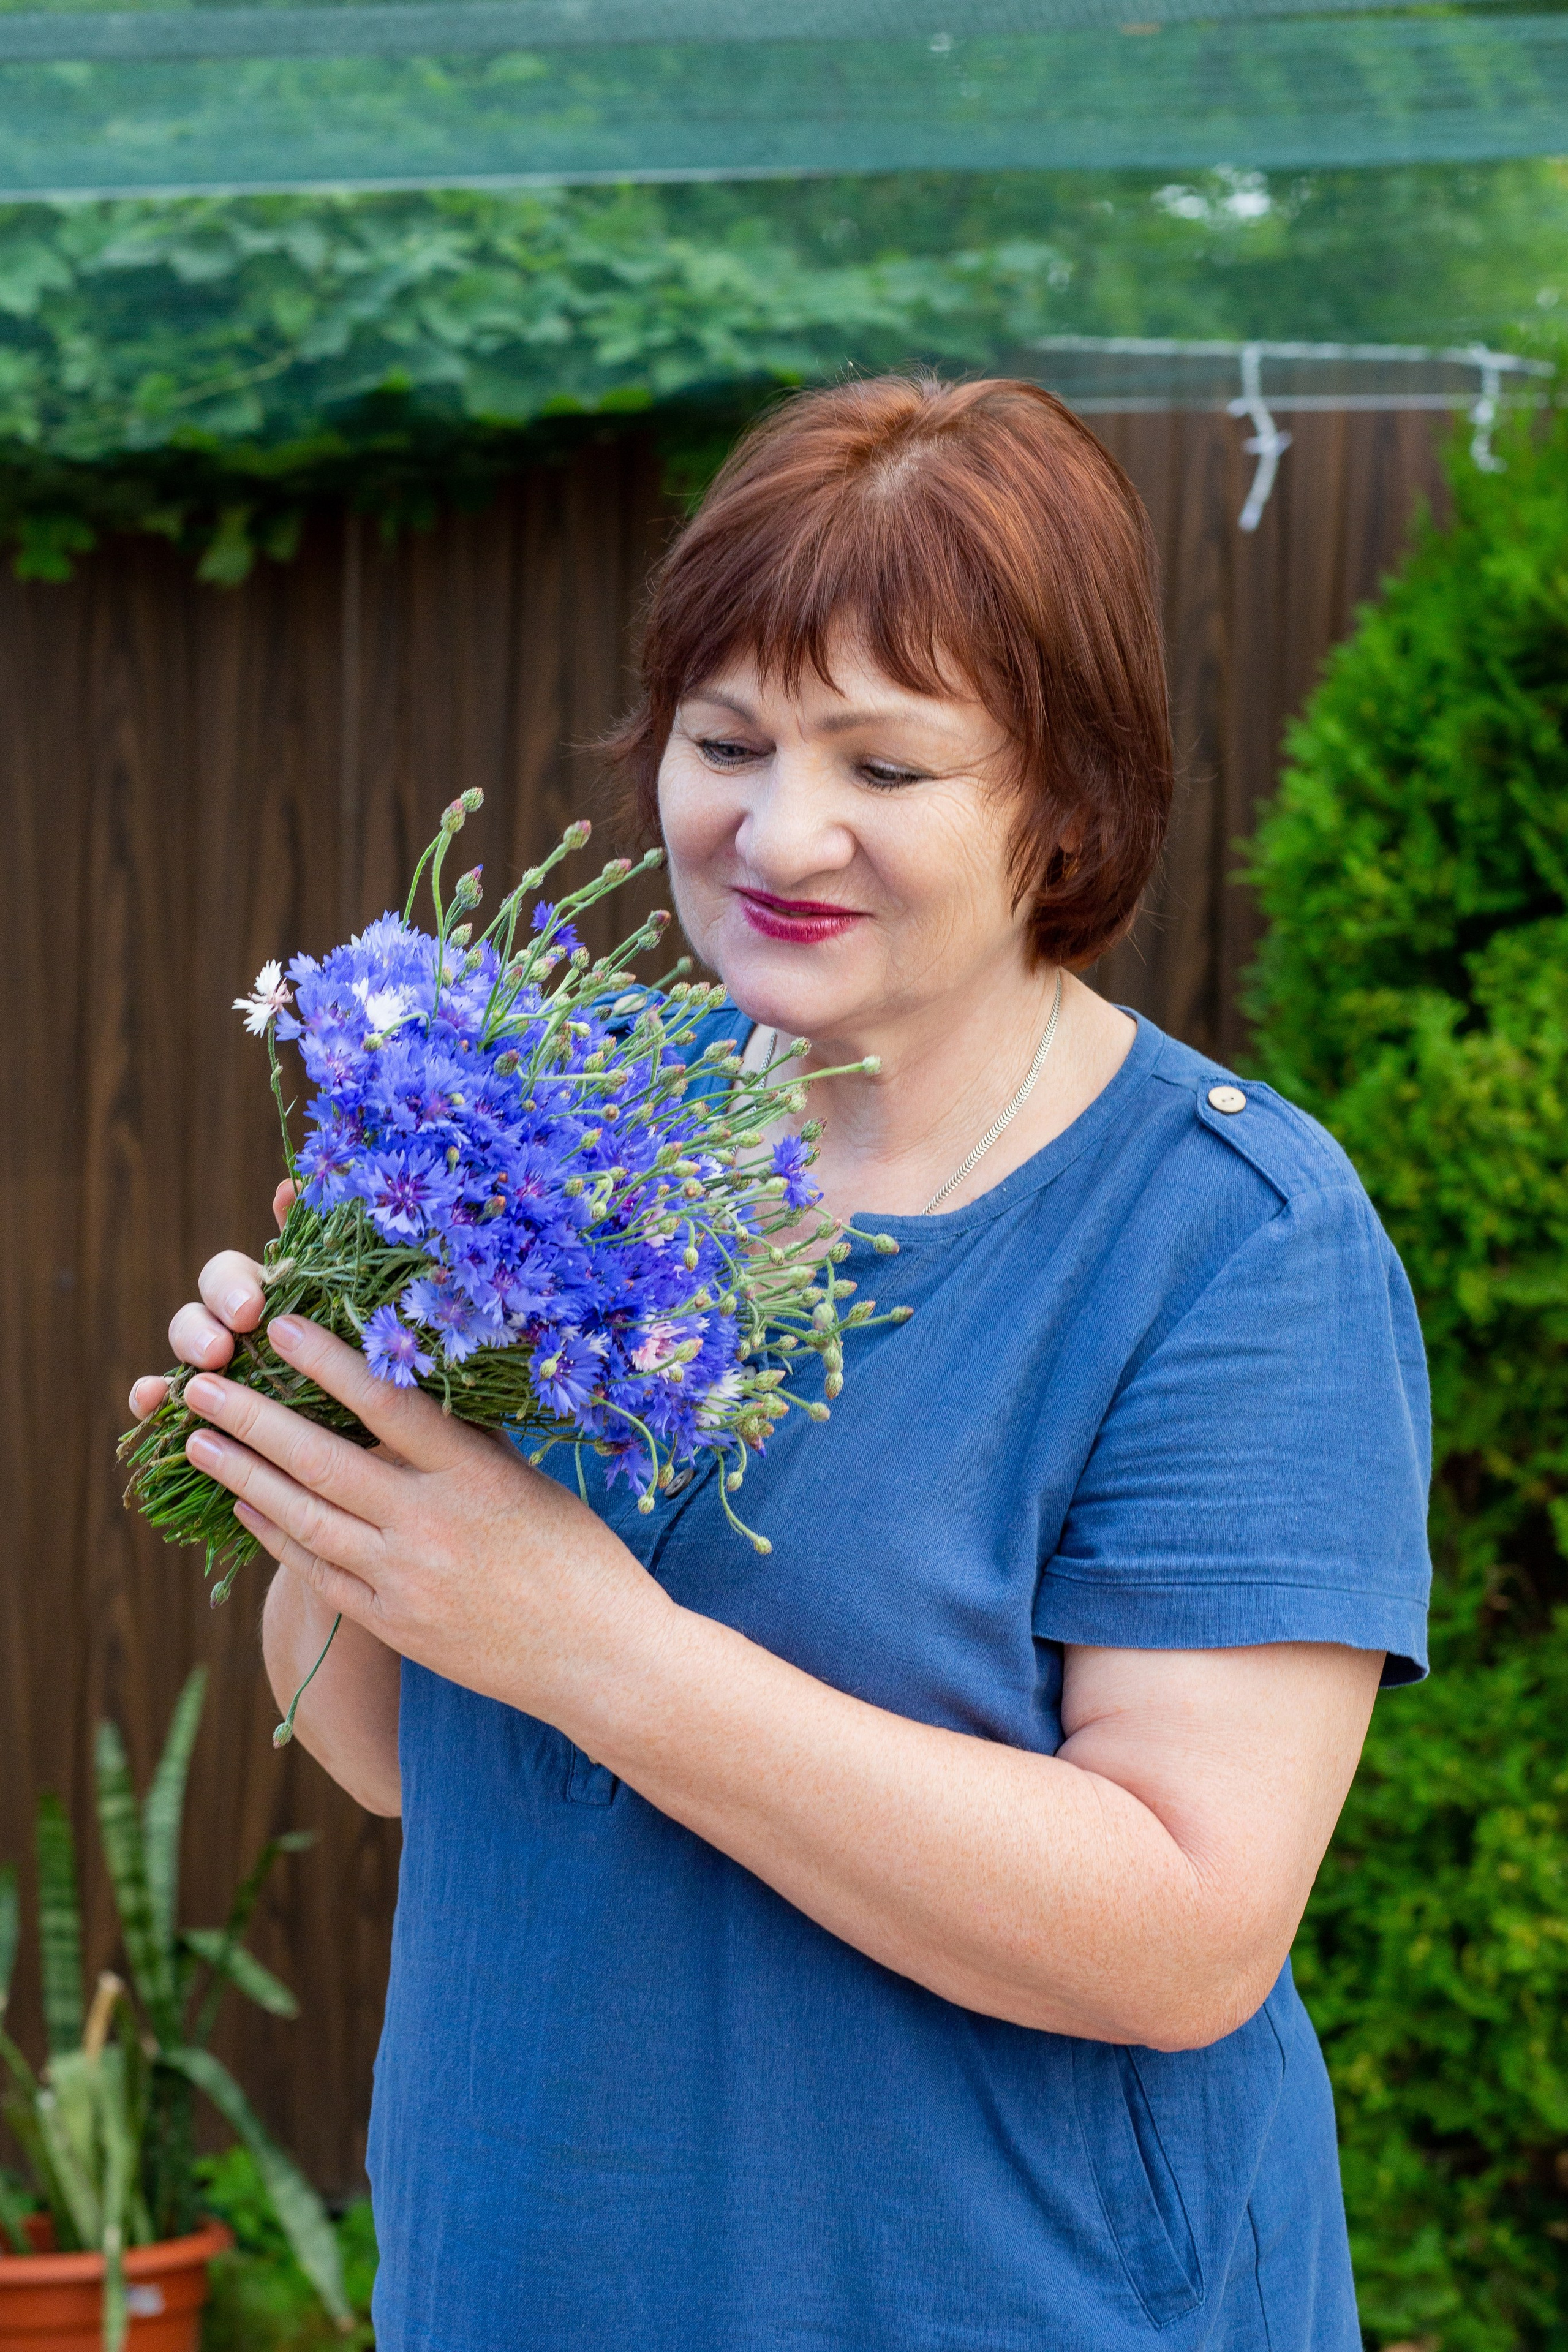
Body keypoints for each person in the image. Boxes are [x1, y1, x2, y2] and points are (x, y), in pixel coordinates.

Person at [129, 377, 1431, 2352]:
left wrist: (602, 1648)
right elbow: (392, 1758)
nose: (778, 828)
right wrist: (325, 1464)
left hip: (993, 2300)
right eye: (724, 741)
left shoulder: (1226, 1242)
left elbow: (1187, 1935)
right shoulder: (557, 1125)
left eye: (887, 768)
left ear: (1066, 797)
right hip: (528, 2273)